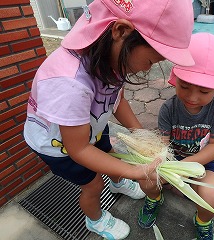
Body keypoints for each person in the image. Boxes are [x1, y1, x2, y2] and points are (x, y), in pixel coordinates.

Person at [23, 0, 195, 239]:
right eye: (151, 62)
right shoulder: (70, 84)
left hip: (90, 127)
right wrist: (136, 172)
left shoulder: (110, 57)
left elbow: (116, 100)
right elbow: (79, 149)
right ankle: (95, 220)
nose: (147, 70)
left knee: (110, 151)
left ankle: (118, 182)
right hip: (60, 146)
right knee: (93, 185)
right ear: (121, 31)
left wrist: (139, 133)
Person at [138, 33, 214, 240]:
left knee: (213, 196)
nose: (192, 97)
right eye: (184, 86)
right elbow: (164, 144)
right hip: (171, 162)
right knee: (145, 181)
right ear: (176, 78)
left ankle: (203, 220)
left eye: (204, 91)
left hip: (204, 164)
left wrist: (186, 167)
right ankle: (155, 199)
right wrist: (159, 162)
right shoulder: (168, 109)